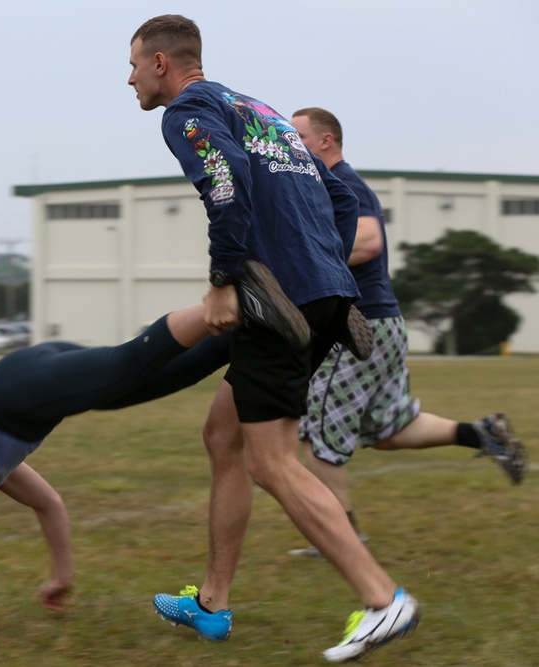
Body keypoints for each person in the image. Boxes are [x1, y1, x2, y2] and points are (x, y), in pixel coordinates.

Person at [129, 15, 418, 662]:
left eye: (133, 65)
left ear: (160, 65)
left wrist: (226, 277)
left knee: (273, 461)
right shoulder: (259, 108)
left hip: (274, 299)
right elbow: (339, 190)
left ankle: (382, 598)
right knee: (224, 434)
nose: (129, 79)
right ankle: (212, 602)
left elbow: (224, 182)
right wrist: (329, 267)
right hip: (321, 293)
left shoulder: (187, 111)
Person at [284, 107, 527, 558]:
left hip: (357, 326)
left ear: (326, 141)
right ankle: (483, 433)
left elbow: (369, 241)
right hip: (384, 325)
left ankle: (344, 538)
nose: (289, 143)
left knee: (317, 432)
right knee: (389, 428)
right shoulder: (325, 184)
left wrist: (304, 260)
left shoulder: (344, 182)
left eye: (297, 135)